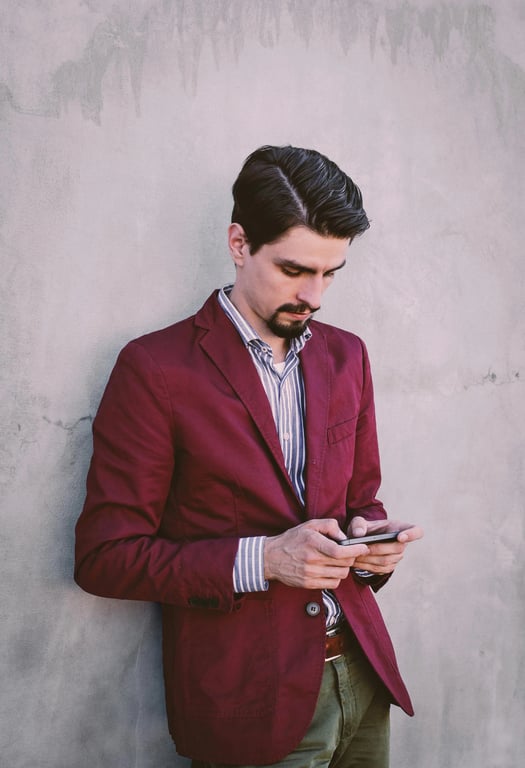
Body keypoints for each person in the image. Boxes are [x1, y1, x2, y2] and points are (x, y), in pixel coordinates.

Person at [74, 145, 423, 768]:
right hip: (248, 701)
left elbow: (360, 502)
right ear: (239, 244)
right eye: (294, 269)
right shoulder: (155, 368)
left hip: (363, 675)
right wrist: (265, 560)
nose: (314, 294)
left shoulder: (346, 355)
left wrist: (372, 546)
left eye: (331, 273)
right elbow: (105, 558)